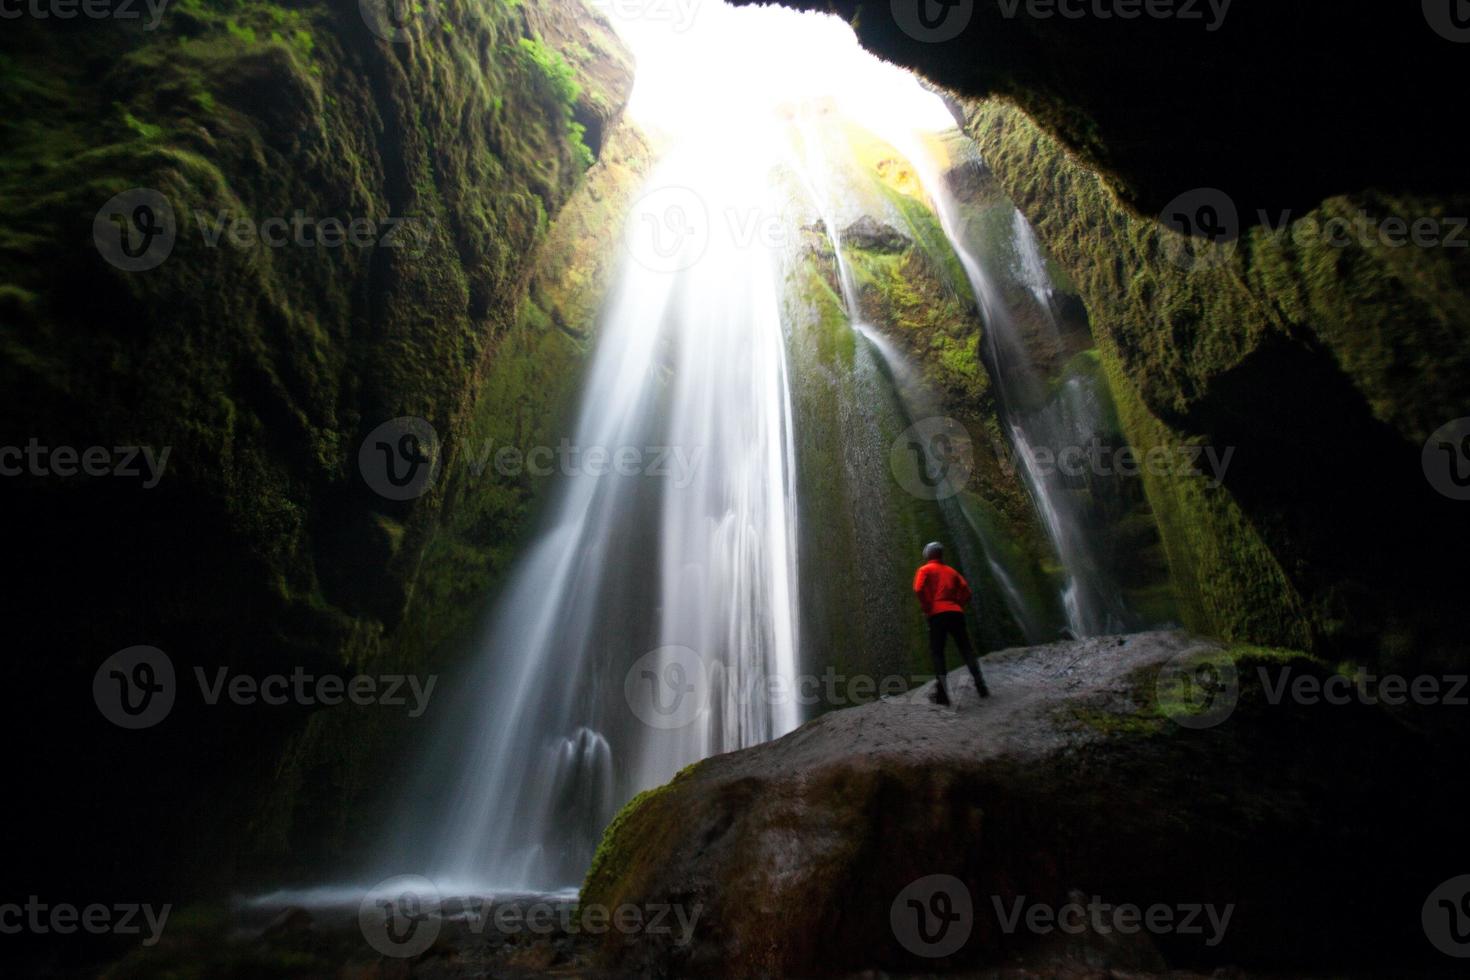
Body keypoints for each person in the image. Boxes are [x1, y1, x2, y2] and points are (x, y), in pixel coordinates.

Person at [913, 542, 989, 705]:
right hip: (955, 613)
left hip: (937, 614)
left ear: (927, 555)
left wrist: (928, 607)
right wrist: (957, 604)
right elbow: (967, 591)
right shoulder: (951, 571)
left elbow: (918, 589)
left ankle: (943, 696)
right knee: (966, 649)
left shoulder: (924, 570)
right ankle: (981, 687)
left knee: (938, 653)